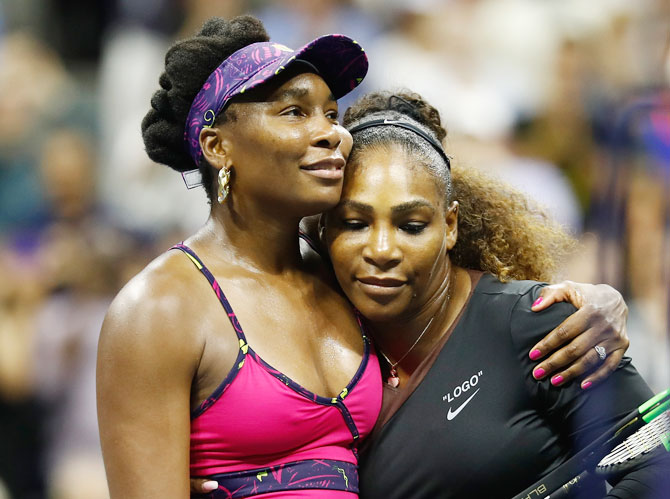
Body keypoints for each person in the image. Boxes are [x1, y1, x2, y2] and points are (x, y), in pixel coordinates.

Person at [98, 15, 629, 499]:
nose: (331, 132)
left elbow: (463, 312)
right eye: (294, 112)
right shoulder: (159, 308)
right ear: (218, 147)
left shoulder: (347, 281)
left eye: (331, 113)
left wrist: (592, 303)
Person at [318, 90, 668, 498]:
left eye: (411, 226)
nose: (381, 250)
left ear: (449, 226)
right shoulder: (306, 331)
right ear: (324, 229)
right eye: (355, 223)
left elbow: (654, 466)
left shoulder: (540, 323)